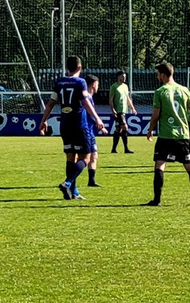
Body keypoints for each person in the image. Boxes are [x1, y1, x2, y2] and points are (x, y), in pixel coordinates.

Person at [39, 55, 106, 200]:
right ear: (79, 68)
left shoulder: (59, 82)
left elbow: (50, 103)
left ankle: (73, 192)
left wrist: (44, 120)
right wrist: (97, 118)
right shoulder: (80, 82)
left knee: (71, 157)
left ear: (67, 67)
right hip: (79, 125)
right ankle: (67, 183)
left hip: (65, 125)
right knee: (85, 158)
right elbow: (86, 102)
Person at [145, 62, 190, 205]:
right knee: (189, 165)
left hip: (166, 135)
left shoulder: (160, 91)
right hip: (182, 135)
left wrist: (150, 129)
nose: (157, 77)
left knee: (160, 165)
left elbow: (156, 114)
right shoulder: (184, 90)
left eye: (158, 74)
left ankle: (157, 200)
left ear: (163, 75)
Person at [108, 71, 135, 154]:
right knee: (125, 127)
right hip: (118, 111)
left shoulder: (125, 87)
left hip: (123, 111)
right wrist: (113, 109)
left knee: (118, 129)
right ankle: (126, 149)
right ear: (119, 77)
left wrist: (132, 108)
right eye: (123, 77)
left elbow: (127, 98)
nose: (124, 78)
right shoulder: (114, 87)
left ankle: (113, 149)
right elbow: (111, 99)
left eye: (125, 77)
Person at [84, 74, 103, 187]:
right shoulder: (86, 98)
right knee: (85, 157)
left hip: (90, 131)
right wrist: (99, 123)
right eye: (98, 84)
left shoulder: (88, 97)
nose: (98, 87)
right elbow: (88, 114)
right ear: (93, 84)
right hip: (86, 131)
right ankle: (70, 181)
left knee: (94, 155)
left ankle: (91, 181)